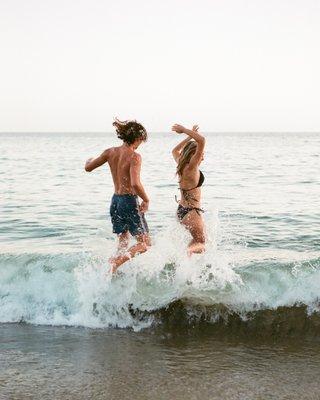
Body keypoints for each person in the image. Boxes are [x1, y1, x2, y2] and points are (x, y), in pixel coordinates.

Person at [85, 118, 151, 273]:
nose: (140, 144)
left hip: (116, 201)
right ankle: (116, 263)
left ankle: (112, 271)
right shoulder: (135, 156)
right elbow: (135, 184)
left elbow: (88, 168)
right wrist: (146, 200)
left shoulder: (110, 152)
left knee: (123, 240)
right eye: (141, 140)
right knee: (145, 243)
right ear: (137, 138)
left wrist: (88, 160)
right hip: (129, 200)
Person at [171, 123, 206, 255]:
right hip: (191, 211)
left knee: (197, 240)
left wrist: (188, 135)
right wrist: (185, 131)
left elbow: (174, 151)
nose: (203, 157)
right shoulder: (192, 166)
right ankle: (186, 253)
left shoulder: (181, 164)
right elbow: (201, 140)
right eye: (201, 154)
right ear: (194, 154)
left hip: (182, 210)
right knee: (202, 243)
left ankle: (184, 263)